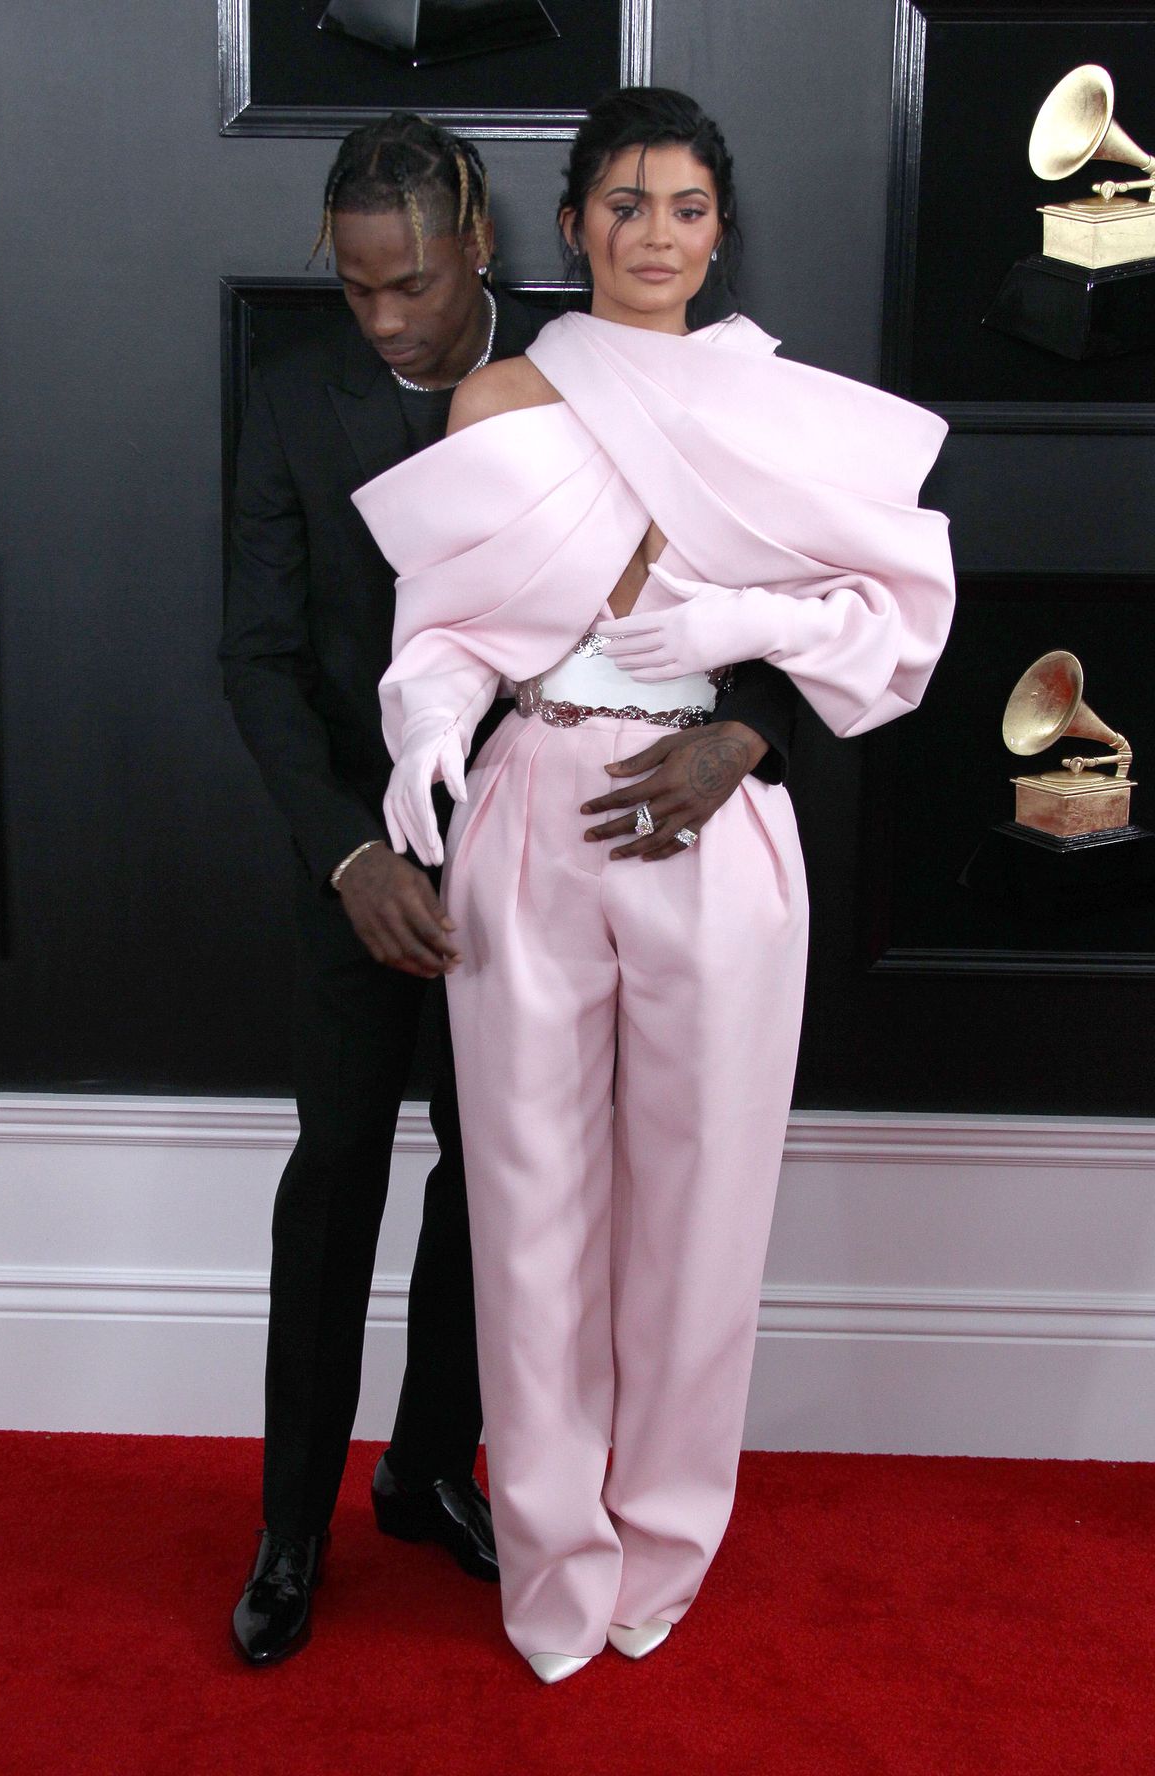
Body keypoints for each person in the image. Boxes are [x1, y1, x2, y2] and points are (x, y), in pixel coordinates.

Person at [352, 88, 956, 1683]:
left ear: (718, 226)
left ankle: (664, 1544)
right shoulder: (502, 396)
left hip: (713, 817)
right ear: (572, 228)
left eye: (685, 206)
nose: (656, 235)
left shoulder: (779, 407)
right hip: (537, 794)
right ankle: (551, 1556)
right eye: (623, 205)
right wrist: (423, 732)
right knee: (531, 1206)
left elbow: (888, 614)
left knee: (704, 1214)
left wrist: (741, 661)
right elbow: (447, 632)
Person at [219, 110, 800, 1666]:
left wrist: (736, 721)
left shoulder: (596, 364)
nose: (388, 318)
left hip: (549, 851)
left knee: (509, 1200)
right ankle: (291, 1531)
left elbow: (779, 586)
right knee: (335, 1177)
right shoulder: (286, 401)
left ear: (484, 247)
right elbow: (260, 661)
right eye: (356, 293)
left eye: (411, 284)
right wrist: (354, 854)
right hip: (360, 855)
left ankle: (428, 1472)